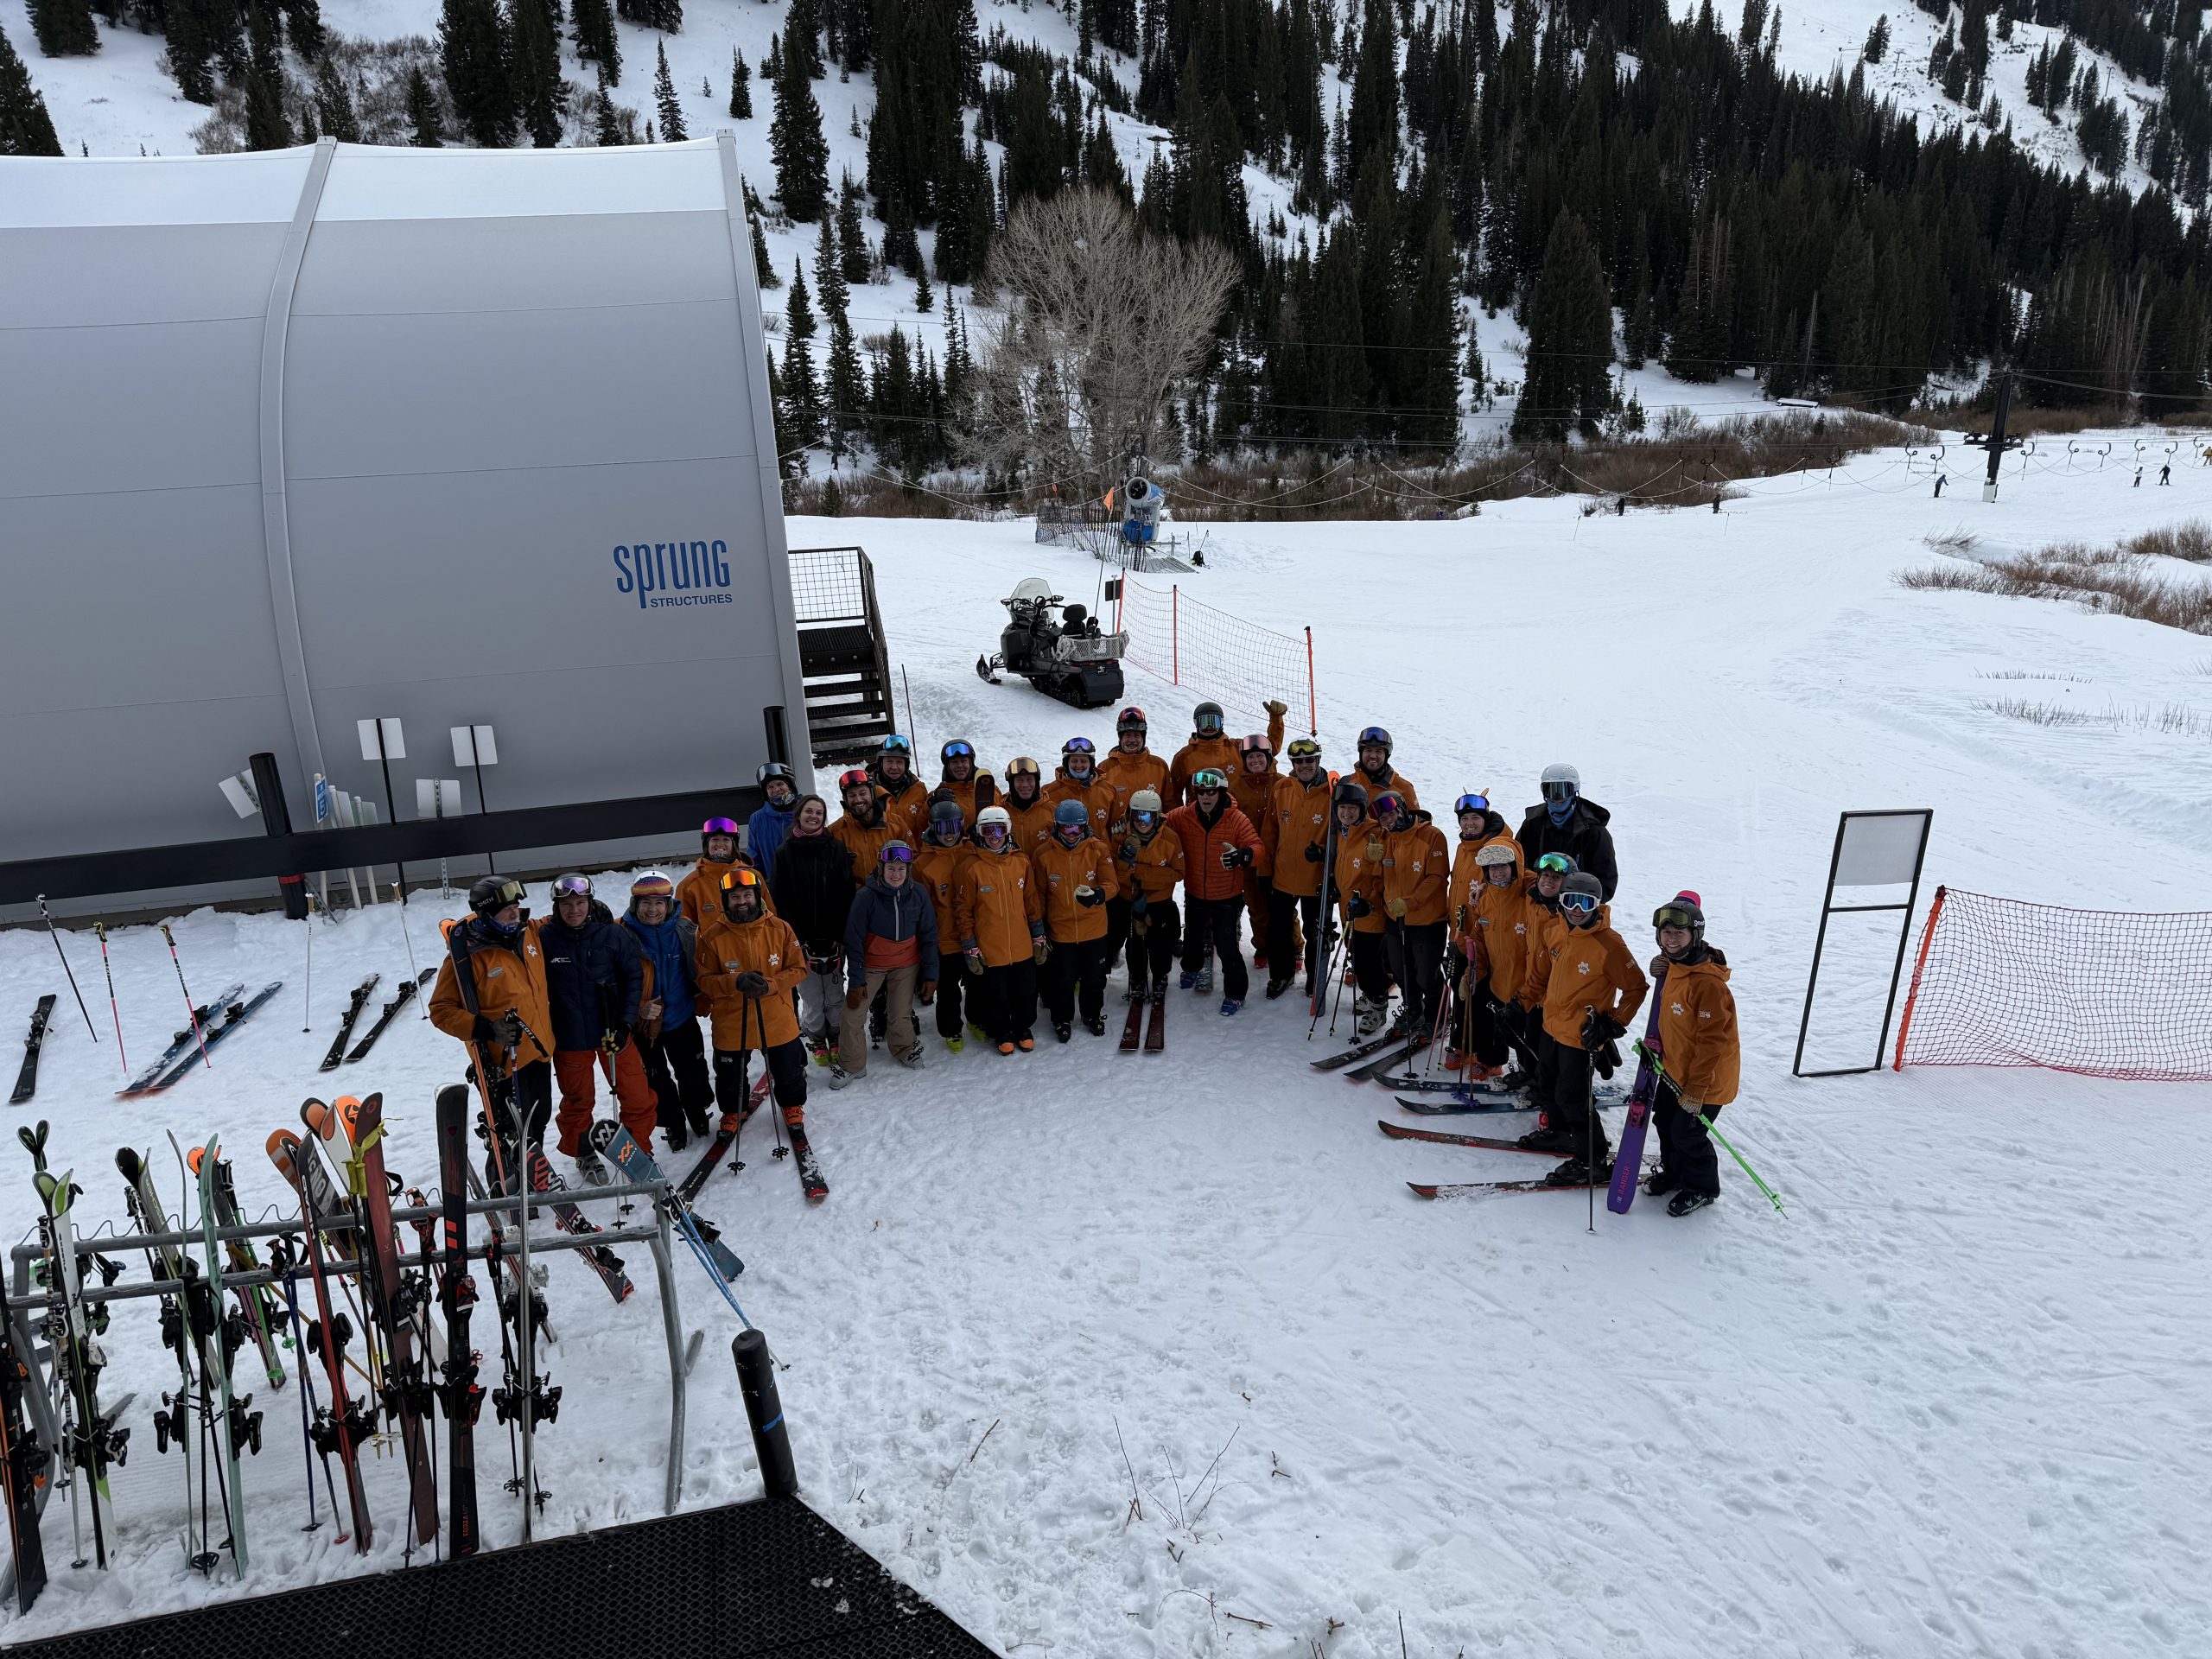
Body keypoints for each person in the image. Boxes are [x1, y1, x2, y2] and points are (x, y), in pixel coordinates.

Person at [1521, 869, 1647, 1187]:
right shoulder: (1554, 931)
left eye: (1586, 903)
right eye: (1571, 901)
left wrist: (1613, 1023)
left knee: (1573, 1097)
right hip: (1552, 1026)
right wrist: (1519, 1004)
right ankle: (1562, 1133)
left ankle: (1593, 1159)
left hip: (1581, 1036)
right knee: (1547, 1083)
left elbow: (1636, 987)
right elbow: (1541, 975)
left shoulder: (1609, 944)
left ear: (1597, 905)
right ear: (1562, 901)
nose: (1577, 910)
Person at [537, 872, 657, 1180]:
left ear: (590, 903)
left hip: (612, 1032)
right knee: (578, 1100)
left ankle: (637, 1148)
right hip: (570, 1036)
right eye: (566, 904)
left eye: (580, 902)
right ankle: (584, 1152)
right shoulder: (545, 938)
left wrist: (625, 1023)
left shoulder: (611, 934)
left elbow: (633, 978)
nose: (573, 910)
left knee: (637, 1094)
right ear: (556, 907)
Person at [429, 874, 554, 1148]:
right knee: (513, 1132)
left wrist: (596, 913)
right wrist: (486, 1029)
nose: (515, 913)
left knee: (539, 1119)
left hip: (540, 1051)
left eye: (516, 906)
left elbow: (560, 920)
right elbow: (441, 1011)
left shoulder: (528, 933)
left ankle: (534, 1167)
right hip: (505, 1064)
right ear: (486, 914)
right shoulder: (466, 957)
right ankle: (506, 1174)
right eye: (507, 909)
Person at [693, 867, 810, 1134]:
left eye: (747, 895)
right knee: (730, 1076)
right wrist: (734, 982)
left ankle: (792, 1105)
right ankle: (733, 1110)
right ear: (725, 900)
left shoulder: (780, 928)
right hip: (732, 1022)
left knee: (788, 1070)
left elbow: (799, 969)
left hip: (777, 1018)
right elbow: (704, 980)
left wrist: (770, 985)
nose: (742, 902)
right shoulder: (711, 936)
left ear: (757, 896)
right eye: (735, 897)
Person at [1643, 892, 1739, 1216]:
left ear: (1694, 936)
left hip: (1706, 1081)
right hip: (1676, 1070)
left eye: (1679, 933)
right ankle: (1674, 1173)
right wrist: (1661, 967)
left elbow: (1712, 1044)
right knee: (1664, 1122)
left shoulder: (1709, 985)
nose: (1671, 939)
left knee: (1687, 1134)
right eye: (1666, 933)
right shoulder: (1677, 965)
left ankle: (1703, 1188)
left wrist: (1697, 1090)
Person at [621, 871, 715, 1151]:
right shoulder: (621, 935)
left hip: (681, 1017)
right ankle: (673, 1123)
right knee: (655, 1077)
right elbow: (611, 983)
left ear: (669, 904)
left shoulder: (685, 930)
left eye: (659, 903)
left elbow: (703, 967)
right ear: (635, 904)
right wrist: (638, 1008)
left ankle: (697, 1112)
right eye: (646, 903)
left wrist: (705, 998)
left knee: (692, 1071)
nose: (653, 910)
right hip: (644, 1025)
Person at [766, 793, 858, 1065]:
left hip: (832, 937)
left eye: (819, 813)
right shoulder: (785, 852)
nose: (814, 816)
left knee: (834, 993)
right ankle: (817, 1036)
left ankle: (837, 1035)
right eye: (809, 811)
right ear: (799, 815)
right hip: (801, 939)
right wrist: (797, 939)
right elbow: (780, 900)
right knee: (811, 995)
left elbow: (846, 894)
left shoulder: (836, 849)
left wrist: (840, 935)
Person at [835, 842, 937, 1084]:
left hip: (906, 963)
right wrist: (856, 981)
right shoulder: (866, 897)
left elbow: (929, 935)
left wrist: (931, 974)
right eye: (891, 868)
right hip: (872, 964)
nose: (896, 874)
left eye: (901, 869)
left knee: (900, 1013)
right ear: (881, 868)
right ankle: (852, 1064)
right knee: (852, 1015)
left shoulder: (918, 893)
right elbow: (854, 940)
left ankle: (904, 1048)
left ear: (908, 870)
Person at [1163, 767, 1263, 1014]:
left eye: (1211, 792)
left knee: (1226, 945)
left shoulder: (1236, 818)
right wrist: (1133, 820)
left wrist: (1243, 855)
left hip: (1227, 896)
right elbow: (1160, 823)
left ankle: (1236, 993)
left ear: (1221, 793)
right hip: (1195, 892)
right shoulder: (1184, 815)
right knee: (1193, 937)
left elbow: (1257, 847)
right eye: (1201, 792)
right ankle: (1191, 967)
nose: (1206, 797)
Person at [953, 804, 1046, 1053]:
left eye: (999, 830)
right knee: (997, 994)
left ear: (1008, 830)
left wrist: (1038, 934)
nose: (994, 837)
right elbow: (963, 910)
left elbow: (1031, 901)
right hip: (990, 946)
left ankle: (1023, 1028)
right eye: (987, 831)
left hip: (1021, 944)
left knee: (1026, 990)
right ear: (979, 833)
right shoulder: (970, 866)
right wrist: (969, 945)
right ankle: (1001, 1031)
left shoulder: (1021, 861)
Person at [1033, 798, 1118, 1039]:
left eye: (1077, 828)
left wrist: (1098, 895)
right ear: (1057, 827)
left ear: (1085, 826)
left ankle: (1092, 1014)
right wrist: (1039, 925)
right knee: (1063, 980)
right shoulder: (1043, 854)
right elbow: (1038, 894)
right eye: (1066, 828)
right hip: (1062, 932)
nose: (1072, 834)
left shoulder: (1098, 849)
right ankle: (1061, 1019)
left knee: (1094, 978)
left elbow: (1112, 884)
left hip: (1094, 929)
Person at [1096, 707, 1172, 978]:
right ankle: (1112, 951)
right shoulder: (1106, 769)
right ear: (1120, 736)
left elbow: (1171, 805)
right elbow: (1101, 812)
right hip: (1120, 851)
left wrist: (1162, 834)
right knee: (1118, 911)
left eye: (1137, 735)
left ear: (1144, 736)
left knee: (1150, 908)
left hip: (1152, 849)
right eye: (1127, 735)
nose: (1132, 740)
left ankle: (1151, 954)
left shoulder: (1158, 766)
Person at [1376, 794, 1448, 1041]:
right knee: (1400, 970)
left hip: (1427, 920)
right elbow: (1378, 877)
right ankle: (1413, 1009)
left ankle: (1437, 1017)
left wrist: (1411, 903)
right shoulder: (1386, 838)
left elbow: (1437, 878)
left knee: (1426, 975)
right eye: (1383, 818)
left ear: (1403, 810)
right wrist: (1371, 859)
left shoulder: (1432, 836)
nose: (1389, 821)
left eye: (1392, 814)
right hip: (1395, 917)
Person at [1460, 841, 1535, 1077]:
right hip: (1499, 983)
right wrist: (1474, 973)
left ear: (1515, 866)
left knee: (1528, 1038)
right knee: (1504, 1030)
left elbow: (1544, 883)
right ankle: (1495, 1063)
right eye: (1493, 867)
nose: (1499, 871)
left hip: (1529, 987)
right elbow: (1479, 940)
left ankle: (1534, 1076)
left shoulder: (1529, 895)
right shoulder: (1484, 898)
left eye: (1504, 865)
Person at [1266, 736, 1333, 1000]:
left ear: (1317, 760)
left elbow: (1344, 835)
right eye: (1299, 761)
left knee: (1314, 933)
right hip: (1283, 875)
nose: (1304, 765)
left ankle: (1315, 978)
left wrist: (1326, 856)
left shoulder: (1332, 792)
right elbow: (1270, 831)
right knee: (1278, 931)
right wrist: (1265, 870)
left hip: (1315, 878)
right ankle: (1281, 974)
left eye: (1309, 760)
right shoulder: (1282, 788)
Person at [911, 799, 976, 1051]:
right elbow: (922, 908)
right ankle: (951, 1030)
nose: (948, 833)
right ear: (932, 828)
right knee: (948, 989)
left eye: (954, 826)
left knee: (977, 982)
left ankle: (977, 1019)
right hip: (944, 939)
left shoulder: (971, 851)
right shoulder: (923, 864)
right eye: (941, 828)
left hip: (972, 934)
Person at [1113, 788, 1185, 1003]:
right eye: (1136, 816)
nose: (1141, 822)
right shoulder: (1120, 837)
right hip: (1130, 899)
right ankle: (1137, 977)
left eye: (1147, 817)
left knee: (1159, 943)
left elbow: (1178, 872)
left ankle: (1160, 976)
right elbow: (1115, 875)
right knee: (1135, 943)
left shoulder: (1170, 838)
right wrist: (1125, 864)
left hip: (1159, 901)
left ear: (1156, 817)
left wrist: (1140, 871)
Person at [1330, 781, 1391, 1035]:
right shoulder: (1342, 833)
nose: (1347, 813)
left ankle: (1378, 1005)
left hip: (1369, 913)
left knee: (1368, 964)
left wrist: (1370, 901)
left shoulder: (1373, 835)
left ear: (1362, 809)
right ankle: (1370, 994)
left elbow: (1383, 877)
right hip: (1349, 910)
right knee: (1356, 956)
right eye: (1342, 807)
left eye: (1352, 808)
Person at [1516, 763, 1619, 900]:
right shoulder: (1533, 823)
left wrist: (1578, 904)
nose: (1556, 798)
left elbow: (1606, 882)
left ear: (1574, 790)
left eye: (1563, 791)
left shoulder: (1593, 831)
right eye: (1549, 791)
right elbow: (1517, 862)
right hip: (1537, 900)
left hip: (1574, 905)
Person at [1226, 733, 1282, 968]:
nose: (1255, 761)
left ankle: (1292, 947)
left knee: (1282, 907)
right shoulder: (1236, 787)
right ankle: (1263, 946)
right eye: (1250, 757)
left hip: (1278, 856)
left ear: (1268, 758)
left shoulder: (1282, 783)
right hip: (1249, 857)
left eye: (1260, 756)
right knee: (1256, 905)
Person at [1170, 699, 1285, 806]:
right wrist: (1177, 818)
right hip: (1201, 814)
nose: (1209, 727)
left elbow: (1268, 750)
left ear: (1221, 723)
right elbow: (1173, 794)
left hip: (1237, 813)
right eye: (1204, 722)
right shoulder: (1185, 756)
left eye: (1214, 721)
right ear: (1197, 724)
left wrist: (1276, 719)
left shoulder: (1236, 747)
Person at [678, 817, 766, 925]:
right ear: (706, 844)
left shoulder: (753, 876)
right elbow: (683, 928)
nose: (720, 844)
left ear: (734, 844)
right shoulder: (689, 885)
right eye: (715, 839)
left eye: (726, 839)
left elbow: (771, 919)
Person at [830, 766, 899, 879]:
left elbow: (913, 860)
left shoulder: (896, 824)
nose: (858, 800)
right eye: (852, 795)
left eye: (862, 793)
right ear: (846, 799)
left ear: (872, 793)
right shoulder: (835, 832)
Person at [1042, 737, 1115, 838]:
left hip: (1100, 848)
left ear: (1091, 763)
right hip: (1064, 848)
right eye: (1074, 761)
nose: (1079, 765)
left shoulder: (1108, 790)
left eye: (1083, 761)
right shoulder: (1049, 792)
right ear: (1066, 763)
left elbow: (1114, 828)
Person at [871, 734, 932, 845]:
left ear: (906, 765)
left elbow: (924, 825)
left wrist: (933, 803)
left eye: (899, 762)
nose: (894, 767)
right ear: (881, 763)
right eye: (889, 761)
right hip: (884, 854)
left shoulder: (918, 790)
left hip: (914, 853)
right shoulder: (868, 792)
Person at [746, 764, 800, 883]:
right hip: (775, 886)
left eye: (780, 784)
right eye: (770, 787)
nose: (776, 790)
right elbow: (754, 857)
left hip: (808, 884)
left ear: (790, 786)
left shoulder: (806, 811)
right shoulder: (757, 819)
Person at [1348, 727, 1420, 811]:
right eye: (1368, 750)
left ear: (1386, 755)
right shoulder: (1347, 782)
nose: (1373, 756)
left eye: (1379, 751)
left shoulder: (1404, 788)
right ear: (1361, 753)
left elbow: (1417, 819)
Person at [935, 739, 997, 824]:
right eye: (954, 762)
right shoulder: (939, 795)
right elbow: (921, 826)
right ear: (948, 766)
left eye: (964, 761)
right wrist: (932, 803)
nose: (960, 765)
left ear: (971, 763)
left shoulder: (989, 789)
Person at [1001, 756, 1056, 849]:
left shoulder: (1052, 810)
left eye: (1030, 779)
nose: (1025, 785)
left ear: (1036, 782)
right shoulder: (1001, 812)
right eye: (1019, 780)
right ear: (1012, 784)